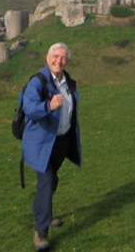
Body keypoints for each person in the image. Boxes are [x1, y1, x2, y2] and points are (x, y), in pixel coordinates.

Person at [22, 42, 82, 251]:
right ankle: (41, 231)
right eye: (55, 56)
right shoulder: (38, 82)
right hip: (41, 142)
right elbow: (29, 108)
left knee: (51, 179)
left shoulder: (68, 82)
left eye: (63, 57)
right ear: (48, 58)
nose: (59, 61)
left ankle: (41, 210)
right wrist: (48, 105)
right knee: (47, 180)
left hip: (60, 141)